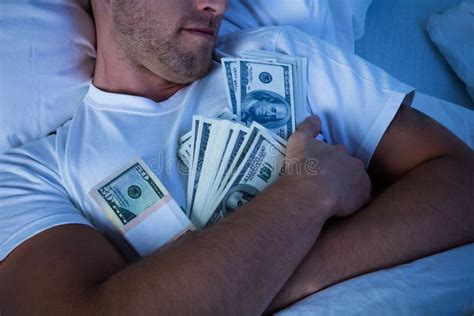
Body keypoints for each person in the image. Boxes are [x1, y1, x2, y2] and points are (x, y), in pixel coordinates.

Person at [0, 0, 472, 314]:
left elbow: (461, 182)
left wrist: (267, 282)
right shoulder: (35, 174)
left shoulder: (282, 52)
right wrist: (309, 194)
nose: (219, 4)